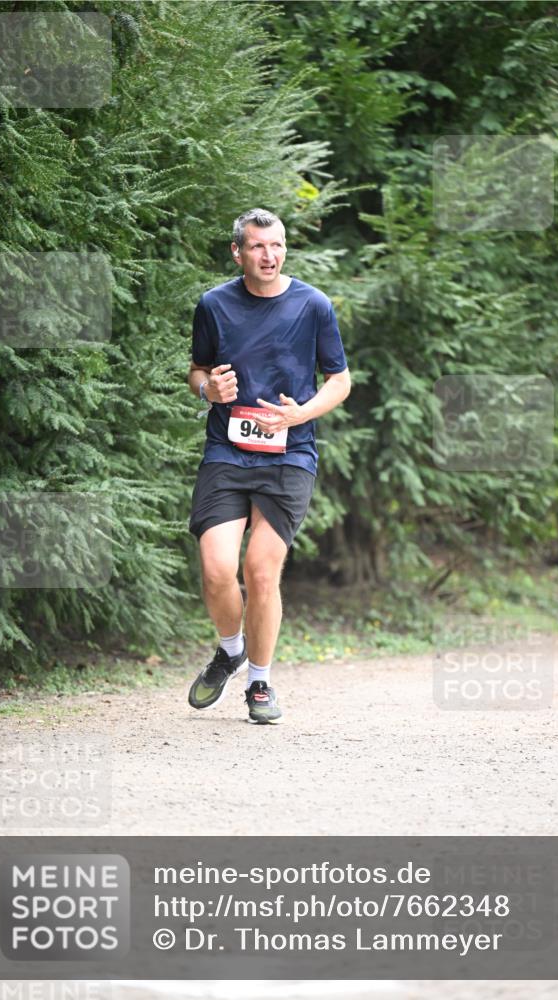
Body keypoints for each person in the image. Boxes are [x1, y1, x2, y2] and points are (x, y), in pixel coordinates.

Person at [187, 208, 350, 724]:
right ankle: (231, 649)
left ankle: (259, 681)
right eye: (257, 246)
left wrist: (301, 413)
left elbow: (339, 380)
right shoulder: (213, 305)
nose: (269, 255)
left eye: (277, 245)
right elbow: (196, 372)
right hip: (228, 451)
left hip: (289, 454)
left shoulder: (313, 305)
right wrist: (208, 389)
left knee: (259, 570)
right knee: (216, 570)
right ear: (238, 252)